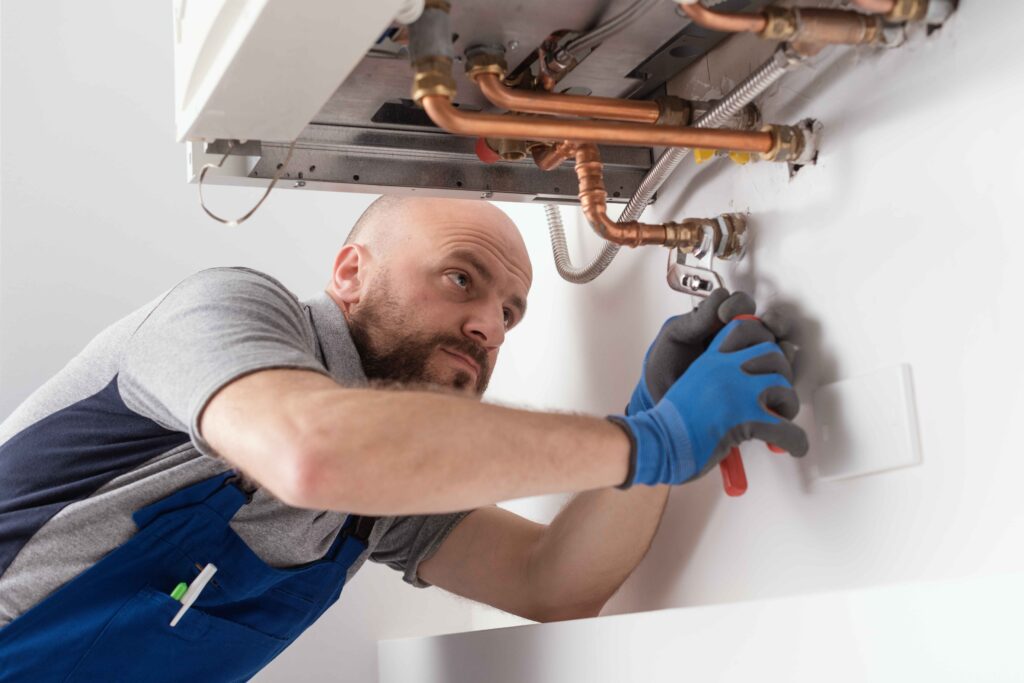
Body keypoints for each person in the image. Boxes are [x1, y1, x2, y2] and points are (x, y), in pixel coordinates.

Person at [0, 196, 807, 680]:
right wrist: (657, 442)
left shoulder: (372, 504)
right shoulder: (226, 313)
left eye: (510, 313)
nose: (489, 325)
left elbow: (552, 580)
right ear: (350, 272)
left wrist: (647, 422)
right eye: (463, 278)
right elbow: (312, 450)